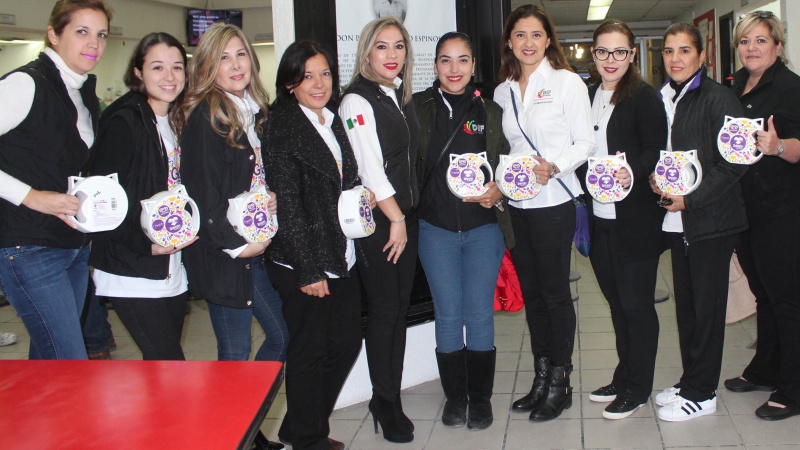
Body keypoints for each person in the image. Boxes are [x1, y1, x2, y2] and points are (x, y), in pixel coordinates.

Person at [493, 4, 595, 422]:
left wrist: (555, 166)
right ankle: (541, 377)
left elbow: (585, 142)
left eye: (536, 34)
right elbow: (506, 149)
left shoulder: (566, 82)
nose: (528, 43)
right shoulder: (502, 91)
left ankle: (560, 381)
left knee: (554, 294)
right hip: (517, 206)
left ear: (548, 39)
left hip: (554, 202)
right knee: (532, 295)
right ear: (509, 42)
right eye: (520, 35)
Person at [265, 40, 364, 450]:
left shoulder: (330, 118)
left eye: (325, 74)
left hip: (340, 252)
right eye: (307, 76)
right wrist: (307, 269)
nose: (319, 83)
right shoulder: (283, 126)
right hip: (302, 260)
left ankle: (298, 425)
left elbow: (342, 177)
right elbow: (287, 202)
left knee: (345, 342)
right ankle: (308, 438)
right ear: (290, 83)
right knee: (309, 350)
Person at [0, 0, 112, 360]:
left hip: (72, 246)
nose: (93, 43)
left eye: (101, 34)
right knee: (69, 361)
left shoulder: (80, 92)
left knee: (49, 364)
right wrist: (30, 195)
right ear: (53, 34)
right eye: (82, 32)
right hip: (29, 248)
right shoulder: (26, 83)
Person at [413, 31, 513, 430]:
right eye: (446, 60)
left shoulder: (490, 111)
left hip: (483, 229)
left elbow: (508, 164)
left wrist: (500, 188)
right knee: (448, 314)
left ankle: (481, 399)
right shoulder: (416, 108)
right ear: (435, 65)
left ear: (474, 66)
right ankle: (456, 398)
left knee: (479, 314)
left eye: (462, 60)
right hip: (434, 229)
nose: (454, 69)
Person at [650, 23, 748, 422]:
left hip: (711, 221)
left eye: (684, 50)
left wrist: (689, 200)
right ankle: (691, 379)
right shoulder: (664, 97)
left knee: (707, 311)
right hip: (679, 222)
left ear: (702, 55)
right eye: (669, 51)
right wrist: (657, 178)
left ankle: (703, 393)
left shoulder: (718, 98)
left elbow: (735, 164)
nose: (675, 59)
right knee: (688, 309)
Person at [178, 23, 288, 363]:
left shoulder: (252, 112)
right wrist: (239, 247)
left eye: (241, 54)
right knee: (237, 353)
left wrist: (268, 195)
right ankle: (239, 401)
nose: (236, 64)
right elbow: (202, 196)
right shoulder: (207, 117)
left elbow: (246, 177)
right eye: (224, 57)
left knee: (280, 339)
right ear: (208, 66)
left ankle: (251, 398)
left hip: (252, 250)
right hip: (227, 256)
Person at [577, 19, 668, 420]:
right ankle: (624, 374)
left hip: (635, 220)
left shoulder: (644, 97)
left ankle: (638, 387)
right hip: (600, 219)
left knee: (636, 306)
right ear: (593, 54)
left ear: (632, 54)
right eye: (603, 51)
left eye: (619, 51)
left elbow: (655, 149)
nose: (610, 59)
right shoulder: (589, 95)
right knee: (617, 304)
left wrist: (631, 171)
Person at [89, 32, 194, 360]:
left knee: (161, 369)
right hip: (131, 267)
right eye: (157, 67)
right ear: (138, 72)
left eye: (177, 67)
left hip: (170, 264)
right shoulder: (124, 120)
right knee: (169, 363)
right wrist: (143, 244)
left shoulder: (173, 119)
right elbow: (101, 199)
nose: (169, 76)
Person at [339, 16, 420, 443]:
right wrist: (397, 219)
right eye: (382, 46)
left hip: (403, 219)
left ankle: (390, 396)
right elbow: (370, 168)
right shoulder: (357, 100)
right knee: (386, 311)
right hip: (383, 224)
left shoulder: (397, 95)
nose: (392, 55)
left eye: (399, 46)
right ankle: (384, 401)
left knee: (398, 311)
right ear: (366, 52)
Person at [722, 11, 800, 421]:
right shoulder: (735, 85)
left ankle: (794, 388)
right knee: (764, 295)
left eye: (761, 40)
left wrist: (778, 145)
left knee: (787, 299)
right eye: (745, 41)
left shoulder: (790, 88)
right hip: (746, 208)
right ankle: (766, 369)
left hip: (782, 210)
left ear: (778, 45)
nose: (751, 48)